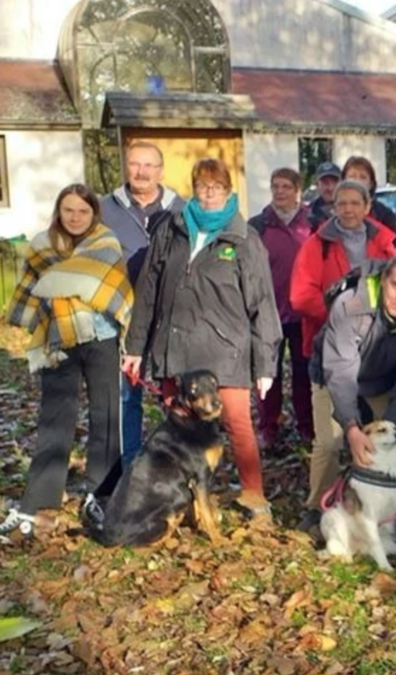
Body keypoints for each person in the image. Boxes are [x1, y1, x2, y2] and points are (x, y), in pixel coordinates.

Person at [121, 159, 281, 523]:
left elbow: (262, 303)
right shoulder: (171, 229)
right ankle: (184, 502)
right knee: (178, 432)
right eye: (203, 186)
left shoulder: (243, 238)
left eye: (217, 186)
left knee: (238, 426)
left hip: (225, 352)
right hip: (174, 349)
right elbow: (148, 290)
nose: (210, 193)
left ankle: (254, 500)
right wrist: (135, 347)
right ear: (194, 188)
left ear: (228, 190)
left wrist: (265, 363)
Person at [0, 185, 134, 540]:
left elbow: (116, 292)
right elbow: (31, 292)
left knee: (107, 418)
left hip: (101, 339)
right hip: (58, 342)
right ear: (59, 212)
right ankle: (39, 504)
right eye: (68, 210)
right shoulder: (42, 246)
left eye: (83, 211)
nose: (75, 217)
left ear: (94, 214)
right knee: (55, 421)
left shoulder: (106, 244)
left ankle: (101, 495)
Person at [290, 181, 396, 530]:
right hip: (329, 350)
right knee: (328, 439)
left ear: (368, 206)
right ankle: (315, 503)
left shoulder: (385, 242)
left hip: (376, 352)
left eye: (355, 203)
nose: (348, 209)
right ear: (332, 206)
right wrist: (342, 311)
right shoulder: (315, 245)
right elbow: (300, 296)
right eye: (342, 203)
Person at [320, 254, 396, 529]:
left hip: (382, 381)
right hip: (333, 374)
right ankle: (317, 506)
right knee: (328, 441)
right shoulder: (350, 305)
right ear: (384, 280)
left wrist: (391, 427)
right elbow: (340, 369)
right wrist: (351, 427)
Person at [101, 142, 185, 467]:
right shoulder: (106, 208)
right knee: (127, 394)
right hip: (119, 314)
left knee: (173, 393)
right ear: (126, 167)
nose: (141, 172)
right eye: (135, 164)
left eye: (149, 166)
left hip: (170, 314)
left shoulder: (181, 209)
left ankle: (175, 462)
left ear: (160, 170)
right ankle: (129, 465)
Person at [249, 167, 315, 451]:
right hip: (268, 313)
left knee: (304, 375)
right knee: (267, 375)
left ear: (297, 190)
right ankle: (268, 428)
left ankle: (307, 427)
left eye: (286, 186)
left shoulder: (312, 222)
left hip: (303, 313)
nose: (280, 191)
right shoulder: (258, 225)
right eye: (276, 186)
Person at [343, 156, 396, 242]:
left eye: (363, 177)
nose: (357, 181)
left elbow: (394, 248)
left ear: (371, 184)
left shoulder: (385, 215)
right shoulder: (334, 212)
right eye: (352, 176)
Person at [307, 161, 341, 227]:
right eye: (325, 183)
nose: (330, 188)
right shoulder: (309, 212)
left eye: (335, 182)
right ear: (317, 184)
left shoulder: (352, 208)